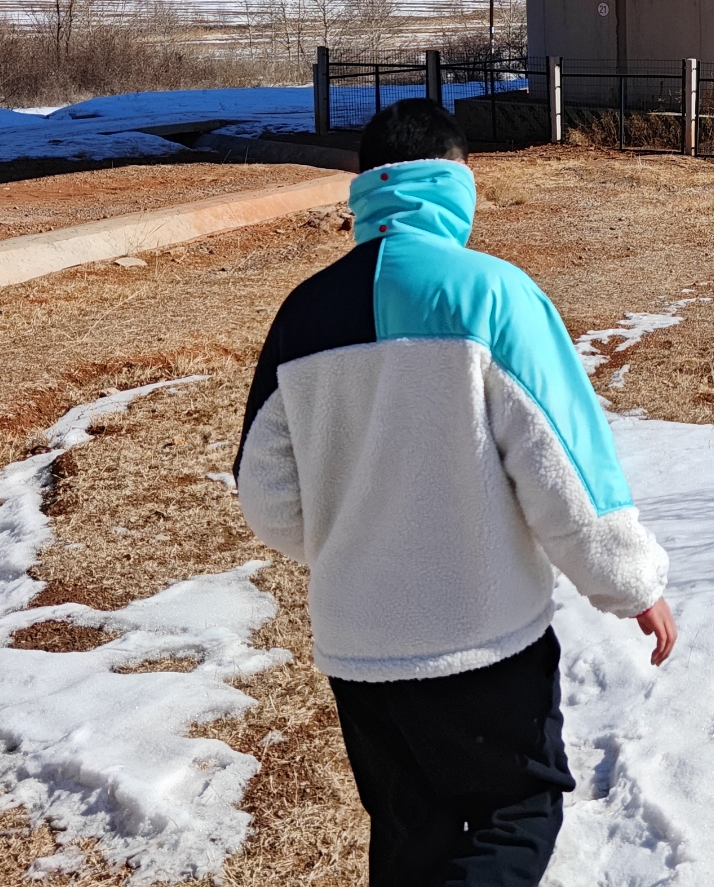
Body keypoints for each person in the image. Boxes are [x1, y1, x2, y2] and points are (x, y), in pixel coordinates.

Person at [237, 99, 674, 886]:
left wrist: (353, 543)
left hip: (358, 646)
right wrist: (629, 583)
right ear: (457, 181)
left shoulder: (299, 314)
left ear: (363, 188)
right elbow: (564, 465)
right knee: (517, 815)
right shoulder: (496, 295)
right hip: (483, 633)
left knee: (411, 836)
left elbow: (265, 496)